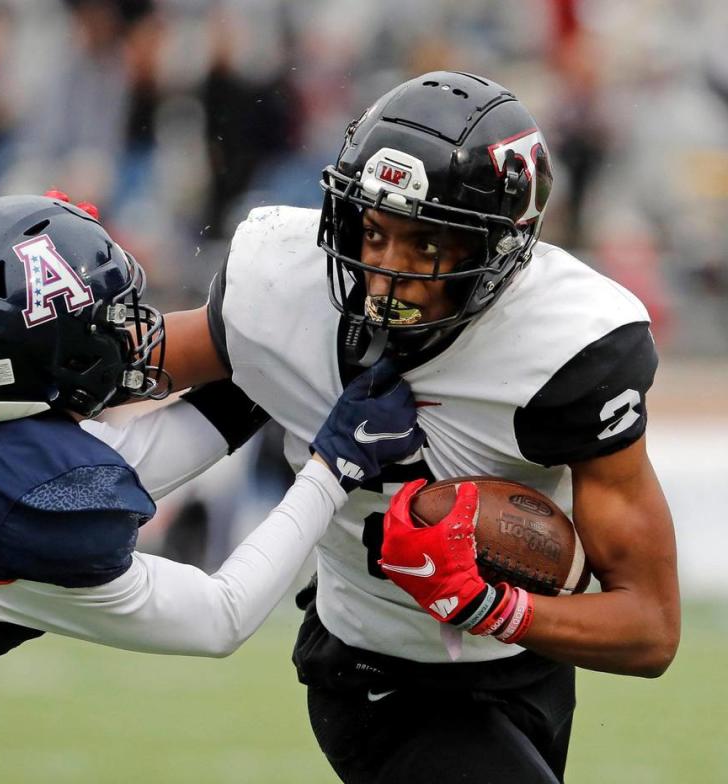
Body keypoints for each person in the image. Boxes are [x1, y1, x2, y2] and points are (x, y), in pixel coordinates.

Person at [63, 71, 680, 783]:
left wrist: (489, 603)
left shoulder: (569, 350)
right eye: (375, 232)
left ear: (499, 251)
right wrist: (43, 331)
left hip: (527, 672)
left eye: (427, 246)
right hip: (372, 671)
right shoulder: (282, 285)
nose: (385, 273)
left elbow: (651, 629)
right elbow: (118, 369)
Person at [0, 194, 426, 782]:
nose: (124, 334)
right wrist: (333, 468)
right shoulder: (19, 507)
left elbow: (134, 456)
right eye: (100, 323)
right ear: (33, 360)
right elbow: (219, 614)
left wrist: (274, 361)